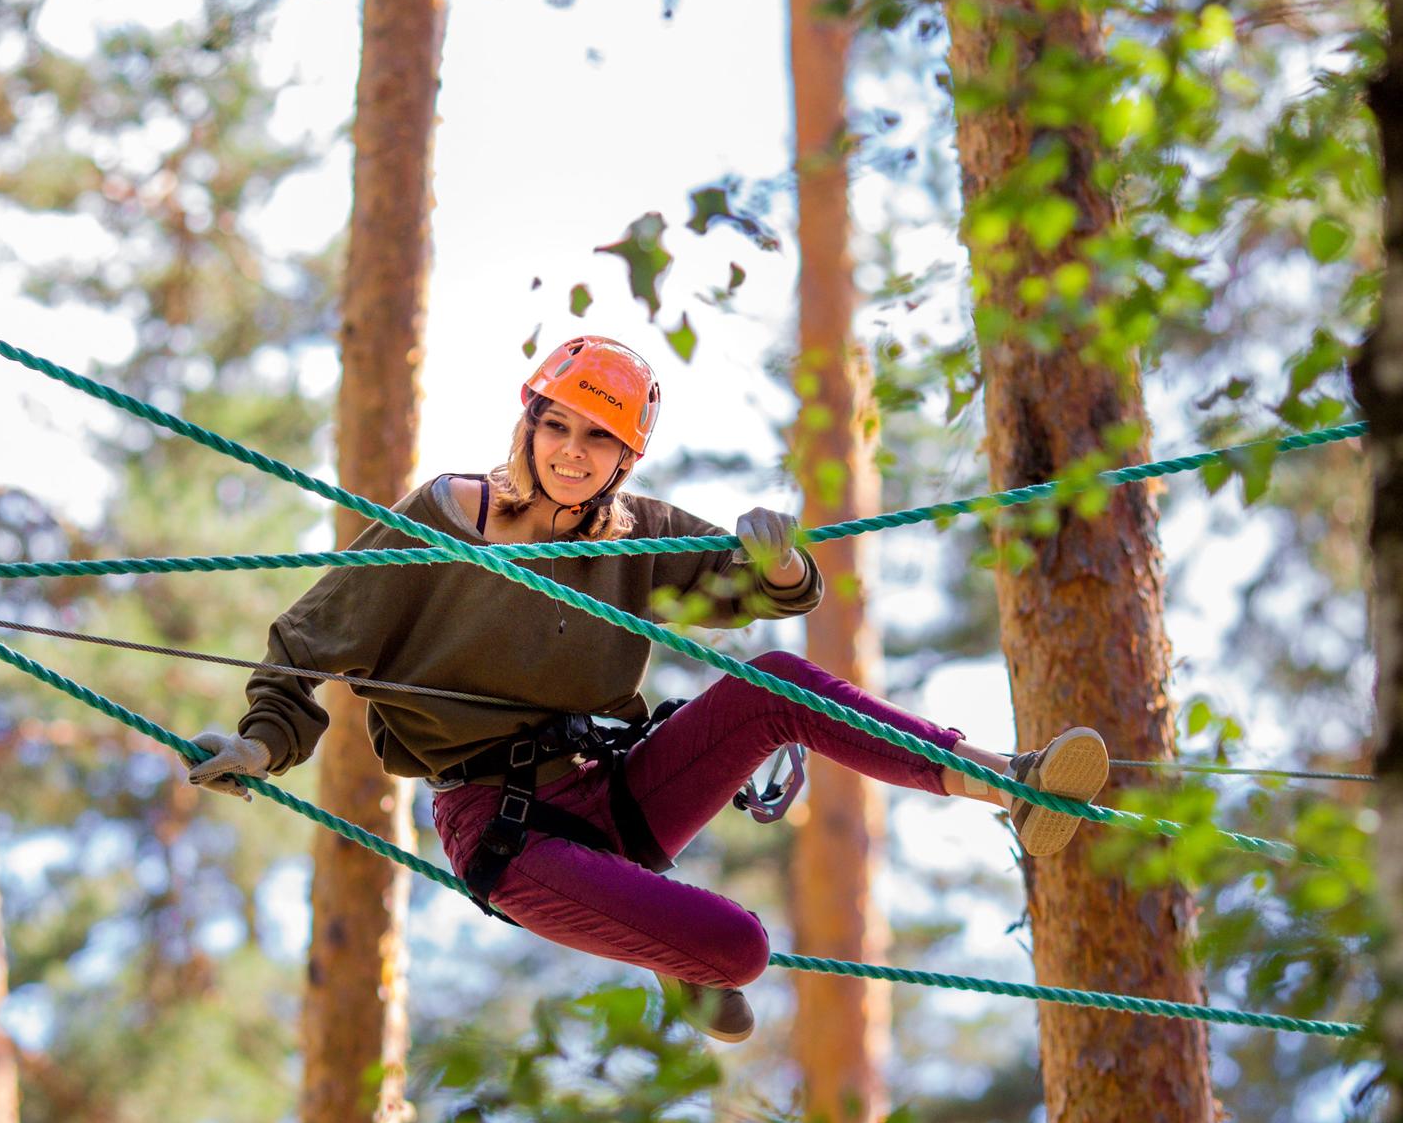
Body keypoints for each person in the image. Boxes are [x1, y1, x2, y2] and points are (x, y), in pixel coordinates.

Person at [186, 335, 1108, 1042]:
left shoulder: (635, 531)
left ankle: (1000, 780)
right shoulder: (441, 518)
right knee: (740, 949)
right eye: (557, 427)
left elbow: (755, 591)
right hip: (506, 829)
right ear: (529, 423)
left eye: (598, 440)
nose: (572, 454)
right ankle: (674, 957)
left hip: (620, 789)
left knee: (779, 683)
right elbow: (312, 641)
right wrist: (261, 746)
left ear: (625, 458)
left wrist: (780, 566)